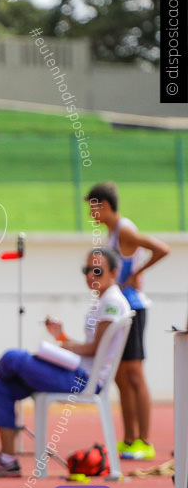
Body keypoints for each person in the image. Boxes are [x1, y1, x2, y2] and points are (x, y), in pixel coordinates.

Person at [0, 247, 131, 478]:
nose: (90, 276)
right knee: (3, 387)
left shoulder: (112, 302)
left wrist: (63, 347)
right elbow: (91, 350)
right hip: (78, 372)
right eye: (86, 270)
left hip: (84, 380)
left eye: (97, 271)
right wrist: (61, 338)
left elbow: (96, 348)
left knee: (12, 357)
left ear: (114, 272)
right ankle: (7, 460)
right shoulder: (104, 300)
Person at [86, 182, 169, 461]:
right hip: (121, 309)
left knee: (134, 375)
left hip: (132, 308)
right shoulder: (113, 232)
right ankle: (129, 438)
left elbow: (161, 248)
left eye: (93, 208)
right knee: (121, 376)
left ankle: (144, 440)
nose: (91, 214)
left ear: (105, 206)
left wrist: (137, 274)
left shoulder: (125, 229)